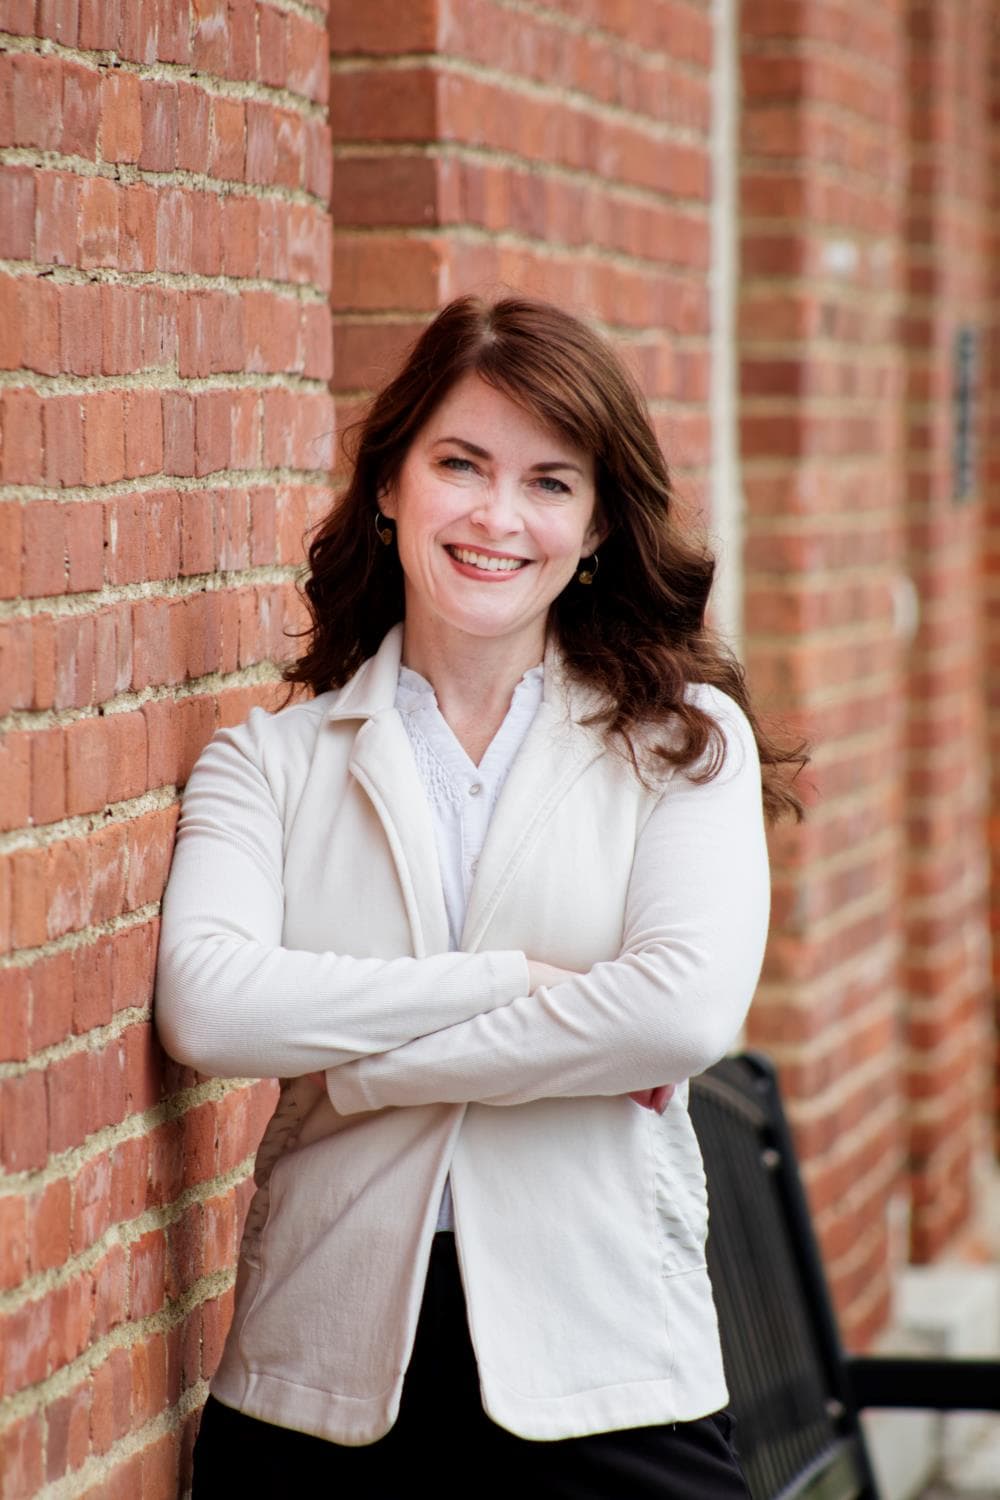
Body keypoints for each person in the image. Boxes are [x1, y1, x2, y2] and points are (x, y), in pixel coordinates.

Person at [155, 293, 803, 1496]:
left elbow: (676, 1017)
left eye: (551, 482)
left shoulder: (683, 745)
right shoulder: (269, 763)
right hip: (318, 1381)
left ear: (599, 524)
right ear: (391, 483)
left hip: (609, 1374)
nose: (498, 517)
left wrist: (361, 1070)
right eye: (460, 464)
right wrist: (514, 985)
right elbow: (210, 1011)